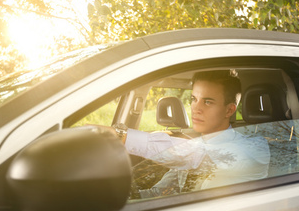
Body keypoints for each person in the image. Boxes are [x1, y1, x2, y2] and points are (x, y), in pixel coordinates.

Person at [113, 70, 270, 192]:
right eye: (194, 99)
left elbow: (197, 154)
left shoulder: (256, 148)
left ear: (229, 110)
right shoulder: (196, 146)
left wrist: (119, 135)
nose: (196, 108)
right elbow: (162, 192)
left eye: (208, 102)